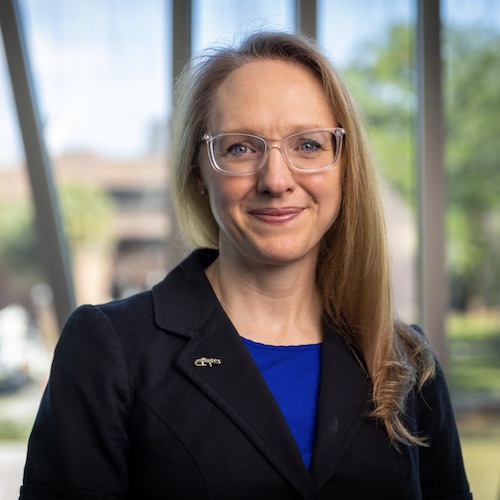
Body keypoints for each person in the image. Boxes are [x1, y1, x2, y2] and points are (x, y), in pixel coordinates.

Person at [20, 31, 471, 500]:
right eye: (240, 148)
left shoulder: (406, 361)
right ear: (198, 170)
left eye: (309, 145)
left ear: (345, 164)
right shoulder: (108, 351)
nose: (276, 180)